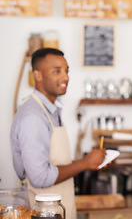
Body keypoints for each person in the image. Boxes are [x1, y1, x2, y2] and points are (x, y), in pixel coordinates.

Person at [10, 48, 106, 219]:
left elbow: (55, 163)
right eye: (57, 71)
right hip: (41, 213)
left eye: (66, 70)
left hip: (57, 210)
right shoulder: (32, 116)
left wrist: (91, 161)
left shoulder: (51, 110)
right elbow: (40, 177)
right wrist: (85, 163)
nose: (65, 77)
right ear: (37, 75)